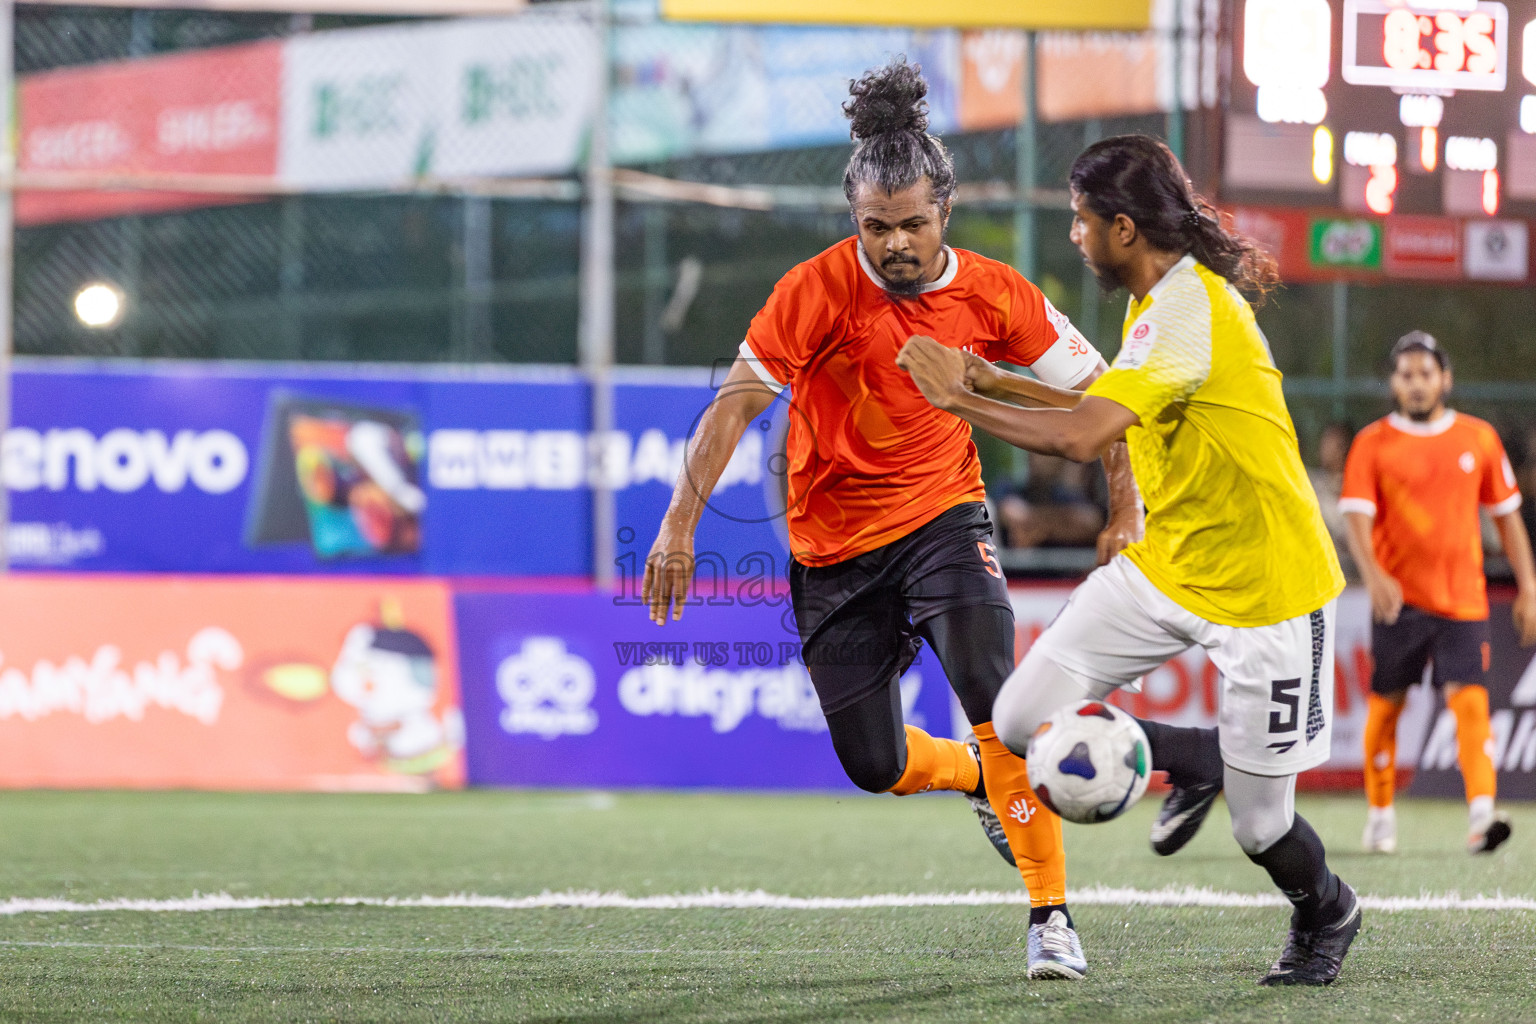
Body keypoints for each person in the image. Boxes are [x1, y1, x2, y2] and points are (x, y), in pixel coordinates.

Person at [642, 57, 1144, 980]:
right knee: (871, 764)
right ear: (854, 222)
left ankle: (1051, 918)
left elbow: (1106, 394)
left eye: (914, 223)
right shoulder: (814, 291)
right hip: (831, 549)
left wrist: (1125, 505)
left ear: (944, 211)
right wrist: (680, 522)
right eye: (877, 227)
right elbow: (733, 407)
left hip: (946, 518)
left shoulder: (995, 294)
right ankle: (970, 779)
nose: (897, 245)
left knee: (997, 695)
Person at [897, 134, 1361, 986]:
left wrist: (959, 398)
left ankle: (1327, 909)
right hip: (1167, 565)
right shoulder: (1155, 299)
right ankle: (1196, 759)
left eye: (1079, 221)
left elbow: (1081, 434)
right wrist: (989, 379)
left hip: (1270, 590)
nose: (1074, 235)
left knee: (1263, 831)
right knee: (1025, 715)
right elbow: (1098, 398)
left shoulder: (1193, 311)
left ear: (1122, 227)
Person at [1340, 332, 1536, 856]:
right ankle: (1380, 816)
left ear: (1445, 380)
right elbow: (1356, 519)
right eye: (1407, 374)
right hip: (1399, 602)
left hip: (1463, 601)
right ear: (1394, 383)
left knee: (1470, 704)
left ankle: (1481, 817)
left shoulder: (1479, 438)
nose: (1418, 383)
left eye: (1427, 373)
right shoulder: (1372, 442)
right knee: (1385, 710)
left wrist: (1529, 586)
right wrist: (1376, 576)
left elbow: (1508, 519)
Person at [997, 452, 1107, 550]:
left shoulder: (1066, 496)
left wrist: (1040, 526)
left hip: (1059, 571)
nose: (1044, 459)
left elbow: (1091, 522)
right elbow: (1009, 511)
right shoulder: (1010, 487)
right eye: (1038, 452)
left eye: (1051, 455)